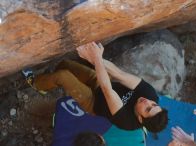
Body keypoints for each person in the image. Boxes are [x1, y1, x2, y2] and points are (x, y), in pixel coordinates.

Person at [23, 42, 168, 133]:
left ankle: (36, 83)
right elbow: (119, 74)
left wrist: (96, 58)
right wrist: (94, 57)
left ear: (141, 119)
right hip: (102, 84)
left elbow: (107, 90)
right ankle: (47, 82)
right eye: (154, 104)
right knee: (66, 65)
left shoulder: (127, 122)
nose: (148, 102)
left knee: (63, 76)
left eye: (148, 109)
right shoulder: (150, 95)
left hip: (94, 102)